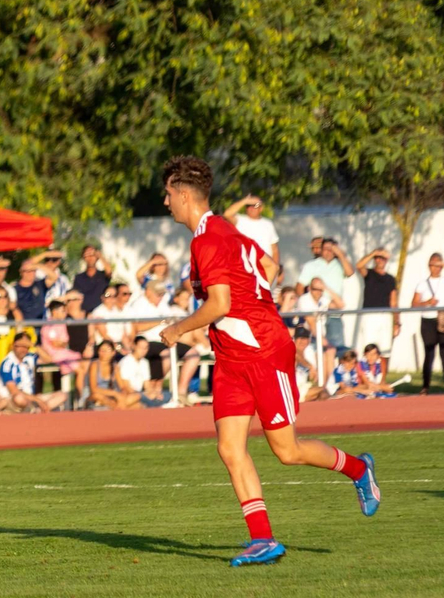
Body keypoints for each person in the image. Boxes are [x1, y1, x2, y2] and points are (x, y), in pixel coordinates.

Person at [157, 155, 379, 567]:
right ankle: (263, 540)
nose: (165, 200)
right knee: (229, 448)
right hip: (231, 357)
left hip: (262, 351)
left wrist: (178, 329)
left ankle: (358, 469)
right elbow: (270, 266)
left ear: (184, 194)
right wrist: (255, 293)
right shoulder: (224, 228)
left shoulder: (208, 238)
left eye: (168, 193)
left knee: (287, 451)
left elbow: (220, 303)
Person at [410, 252, 444, 393]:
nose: (436, 268)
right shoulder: (422, 283)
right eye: (434, 265)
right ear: (429, 266)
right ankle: (425, 386)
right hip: (427, 320)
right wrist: (427, 302)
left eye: (438, 265)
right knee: (429, 353)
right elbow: (414, 304)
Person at [0, 332, 68, 412]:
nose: (23, 349)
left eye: (26, 346)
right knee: (19, 398)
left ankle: (36, 410)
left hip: (31, 398)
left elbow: (48, 359)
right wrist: (38, 400)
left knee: (62, 395)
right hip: (12, 399)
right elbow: (14, 391)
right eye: (20, 346)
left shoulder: (29, 358)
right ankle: (36, 410)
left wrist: (34, 345)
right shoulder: (7, 363)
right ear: (13, 346)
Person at [223, 195, 281, 282]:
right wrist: (245, 201)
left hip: (264, 268)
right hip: (245, 268)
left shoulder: (268, 224)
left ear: (261, 208)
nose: (251, 208)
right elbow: (227, 214)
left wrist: (275, 268)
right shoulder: (240, 220)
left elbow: (275, 249)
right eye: (249, 206)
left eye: (255, 205)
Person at [84, 339, 139, 409]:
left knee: (136, 397)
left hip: (111, 397)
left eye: (107, 350)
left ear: (113, 353)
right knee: (98, 396)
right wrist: (114, 393)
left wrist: (123, 393)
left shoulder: (115, 366)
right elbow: (94, 389)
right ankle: (117, 408)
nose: (104, 353)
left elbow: (122, 386)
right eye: (102, 350)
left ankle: (116, 406)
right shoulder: (94, 365)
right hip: (97, 396)